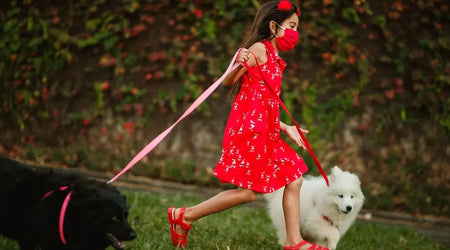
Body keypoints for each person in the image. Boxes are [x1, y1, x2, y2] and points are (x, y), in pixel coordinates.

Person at [168, 1, 328, 249]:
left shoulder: (275, 58)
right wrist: (240, 63)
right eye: (292, 26)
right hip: (250, 133)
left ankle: (294, 242)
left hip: (267, 132)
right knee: (247, 193)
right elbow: (228, 81)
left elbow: (265, 103)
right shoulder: (260, 49)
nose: (296, 32)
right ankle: (184, 215)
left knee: (294, 178)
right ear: (274, 26)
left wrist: (285, 127)